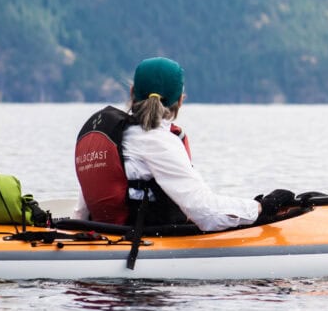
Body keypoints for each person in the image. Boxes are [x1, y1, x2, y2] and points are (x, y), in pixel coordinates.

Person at [73, 57, 296, 231]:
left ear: (132, 93)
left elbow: (82, 211)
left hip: (105, 234)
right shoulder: (157, 141)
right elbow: (204, 213)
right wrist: (261, 207)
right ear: (180, 100)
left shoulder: (113, 135)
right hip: (141, 250)